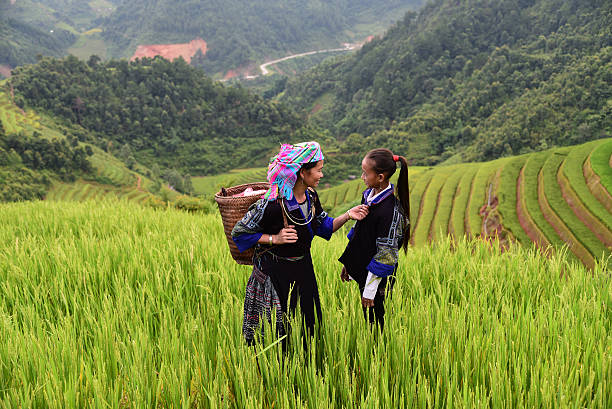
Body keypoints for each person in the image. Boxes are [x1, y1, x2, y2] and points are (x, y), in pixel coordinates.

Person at [232, 141, 369, 345]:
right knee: (276, 331)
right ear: (303, 173)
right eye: (319, 170)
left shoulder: (311, 197)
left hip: (303, 269)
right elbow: (239, 233)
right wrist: (274, 238)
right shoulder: (272, 203)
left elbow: (324, 226)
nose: (322, 175)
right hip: (274, 274)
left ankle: (304, 368)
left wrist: (348, 215)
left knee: (308, 326)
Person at [339, 148, 410, 330]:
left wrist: (370, 291)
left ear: (380, 177)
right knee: (368, 319)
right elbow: (360, 232)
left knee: (376, 323)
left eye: (366, 173)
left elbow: (385, 255)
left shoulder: (391, 212)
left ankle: (380, 355)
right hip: (363, 268)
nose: (362, 177)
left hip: (377, 278)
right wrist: (349, 263)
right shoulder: (368, 195)